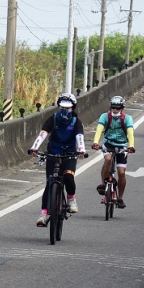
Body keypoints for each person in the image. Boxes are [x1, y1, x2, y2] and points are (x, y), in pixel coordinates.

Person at [28, 93, 86, 226]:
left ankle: (71, 199)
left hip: (70, 154)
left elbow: (79, 137)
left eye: (68, 108)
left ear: (73, 108)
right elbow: (42, 134)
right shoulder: (53, 119)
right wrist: (34, 148)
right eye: (62, 108)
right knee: (49, 183)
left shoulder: (76, 122)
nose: (64, 111)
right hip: (53, 153)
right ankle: (44, 214)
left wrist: (81, 150)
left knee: (68, 177)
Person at [91, 96, 135, 208]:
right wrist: (96, 142)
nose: (115, 110)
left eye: (118, 108)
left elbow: (130, 133)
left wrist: (131, 146)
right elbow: (99, 129)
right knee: (108, 159)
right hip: (109, 144)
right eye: (113, 107)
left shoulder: (127, 118)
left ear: (122, 108)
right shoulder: (105, 116)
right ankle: (103, 183)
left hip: (122, 146)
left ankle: (120, 198)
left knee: (121, 172)